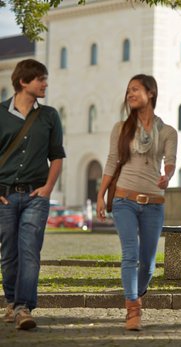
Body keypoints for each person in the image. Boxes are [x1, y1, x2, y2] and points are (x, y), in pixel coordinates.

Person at [96, 74, 177, 331]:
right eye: (128, 90)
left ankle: (136, 293)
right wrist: (100, 194)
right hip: (124, 200)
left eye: (135, 89)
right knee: (130, 254)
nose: (130, 94)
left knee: (149, 264)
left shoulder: (167, 131)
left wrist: (169, 175)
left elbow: (170, 160)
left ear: (150, 93)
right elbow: (111, 161)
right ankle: (133, 308)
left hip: (154, 202)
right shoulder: (121, 128)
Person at [0, 59, 65, 330]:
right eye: (40, 79)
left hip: (35, 196)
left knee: (29, 250)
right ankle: (13, 302)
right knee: (9, 253)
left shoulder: (50, 115)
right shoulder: (1, 113)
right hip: (4, 196)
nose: (45, 84)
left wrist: (48, 188)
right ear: (23, 81)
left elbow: (57, 155)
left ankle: (23, 307)